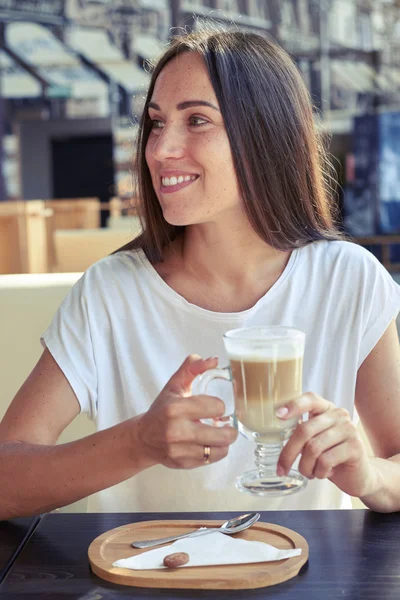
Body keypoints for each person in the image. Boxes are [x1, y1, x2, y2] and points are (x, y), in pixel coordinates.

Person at [1, 25, 400, 519]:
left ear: (265, 137)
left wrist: (370, 474)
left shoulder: (349, 281)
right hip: (149, 583)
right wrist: (138, 443)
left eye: (196, 121)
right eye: (156, 122)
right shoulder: (109, 294)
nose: (160, 149)